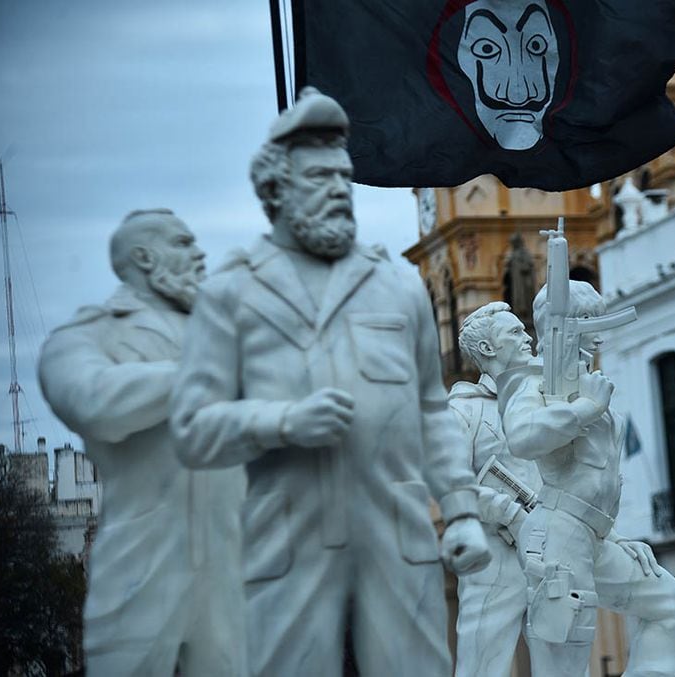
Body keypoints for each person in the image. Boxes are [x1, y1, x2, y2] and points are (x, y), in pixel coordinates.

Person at [169, 87, 490, 676]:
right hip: (286, 542)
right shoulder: (230, 294)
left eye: (343, 176)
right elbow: (191, 430)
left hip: (396, 536)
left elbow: (431, 410)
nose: (340, 190)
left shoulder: (396, 285)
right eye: (319, 178)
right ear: (276, 190)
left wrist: (462, 509)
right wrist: (282, 421)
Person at [38, 209, 246, 675]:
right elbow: (92, 402)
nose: (200, 254)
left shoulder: (225, 333)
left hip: (232, 568)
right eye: (184, 243)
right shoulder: (90, 334)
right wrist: (197, 375)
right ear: (146, 257)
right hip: (143, 566)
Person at [500, 280, 675, 677]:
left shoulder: (587, 385)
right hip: (558, 538)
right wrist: (585, 409)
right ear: (567, 326)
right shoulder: (536, 385)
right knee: (564, 662)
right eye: (590, 321)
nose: (601, 333)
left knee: (672, 607)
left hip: (595, 536)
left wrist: (614, 534)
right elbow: (520, 438)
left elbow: (596, 480)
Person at [449, 301, 541, 676]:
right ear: (487, 349)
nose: (526, 336)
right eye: (514, 332)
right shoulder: (463, 410)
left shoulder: (544, 400)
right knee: (482, 666)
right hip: (494, 558)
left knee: (566, 663)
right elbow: (450, 484)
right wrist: (512, 516)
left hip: (550, 553)